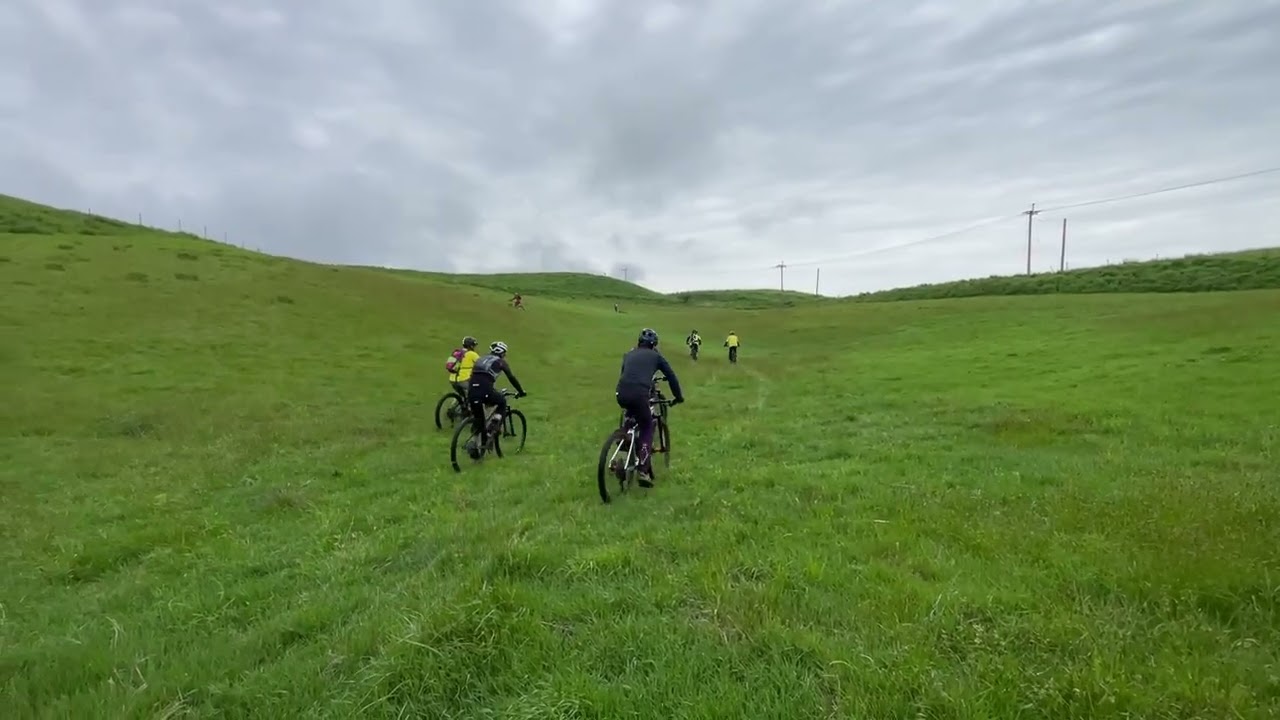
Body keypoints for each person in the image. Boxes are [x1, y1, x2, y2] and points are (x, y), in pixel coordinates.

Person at [616, 328, 685, 487]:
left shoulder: (629, 354)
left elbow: (624, 373)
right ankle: (643, 470)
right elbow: (671, 377)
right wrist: (678, 397)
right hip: (640, 395)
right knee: (647, 426)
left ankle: (623, 443)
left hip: (621, 393)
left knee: (630, 416)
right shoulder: (656, 356)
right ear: (654, 345)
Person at [466, 341, 527, 455]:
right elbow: (511, 378)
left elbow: (475, 377)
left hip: (472, 391)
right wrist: (521, 391)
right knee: (502, 402)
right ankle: (492, 427)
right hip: (485, 390)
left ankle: (475, 442)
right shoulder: (500, 362)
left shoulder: (480, 359)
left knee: (479, 418)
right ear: (503, 353)